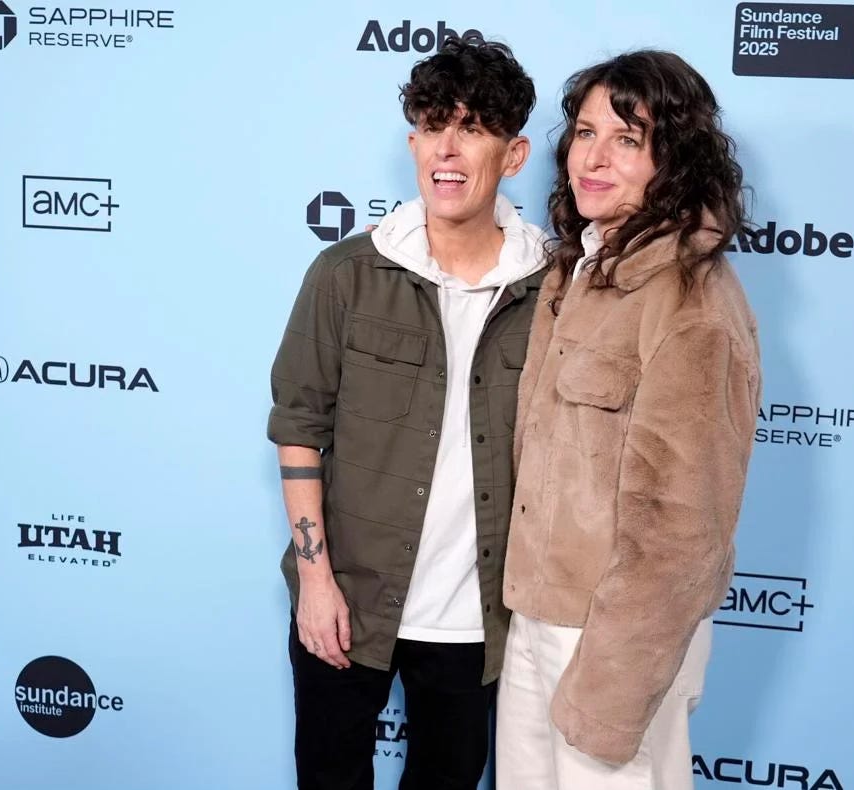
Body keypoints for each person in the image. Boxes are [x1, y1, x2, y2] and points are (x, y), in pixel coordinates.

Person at [267, 38, 546, 790]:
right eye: (432, 125)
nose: (447, 150)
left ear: (513, 153)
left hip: (476, 623)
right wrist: (315, 581)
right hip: (349, 602)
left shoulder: (552, 290)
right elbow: (298, 426)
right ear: (413, 141)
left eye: (473, 127)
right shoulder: (346, 273)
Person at [497, 50, 762, 790]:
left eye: (626, 138)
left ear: (671, 157)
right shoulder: (576, 270)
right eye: (584, 133)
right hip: (539, 617)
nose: (594, 157)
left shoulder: (692, 303)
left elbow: (682, 532)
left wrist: (613, 688)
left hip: (616, 644)